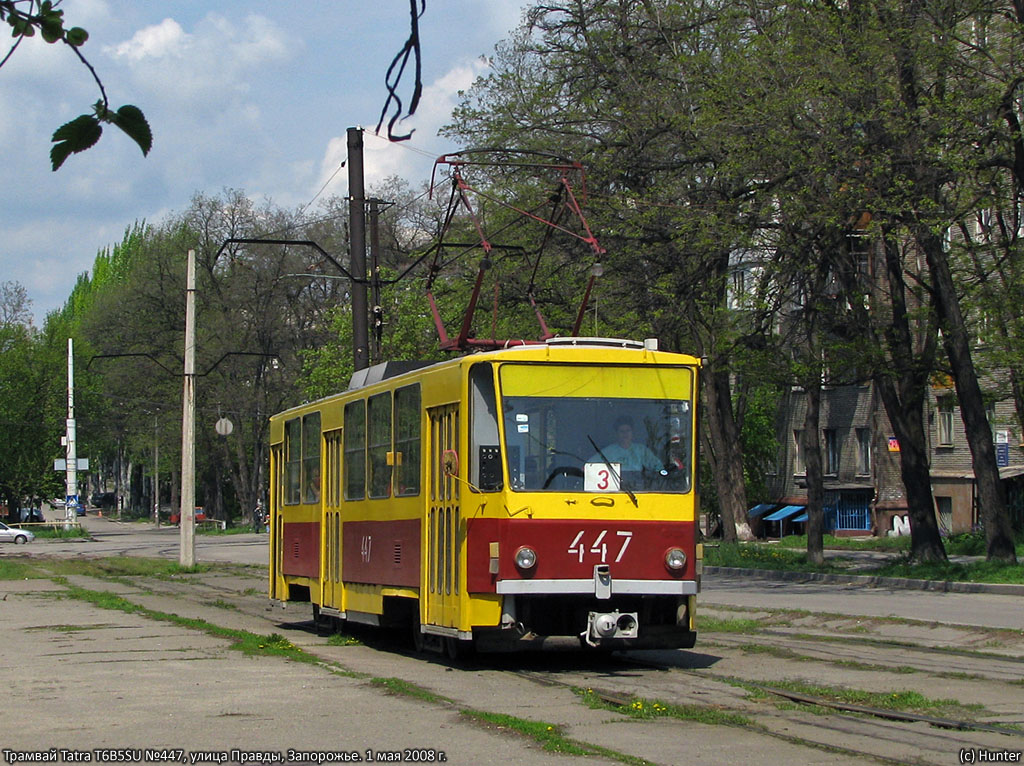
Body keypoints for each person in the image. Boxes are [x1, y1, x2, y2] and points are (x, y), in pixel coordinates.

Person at [589, 417, 663, 473]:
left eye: (628, 430)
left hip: (639, 488)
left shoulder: (641, 450)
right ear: (616, 434)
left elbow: (658, 467)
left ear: (632, 433)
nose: (625, 434)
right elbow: (589, 466)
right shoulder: (609, 451)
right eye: (622, 431)